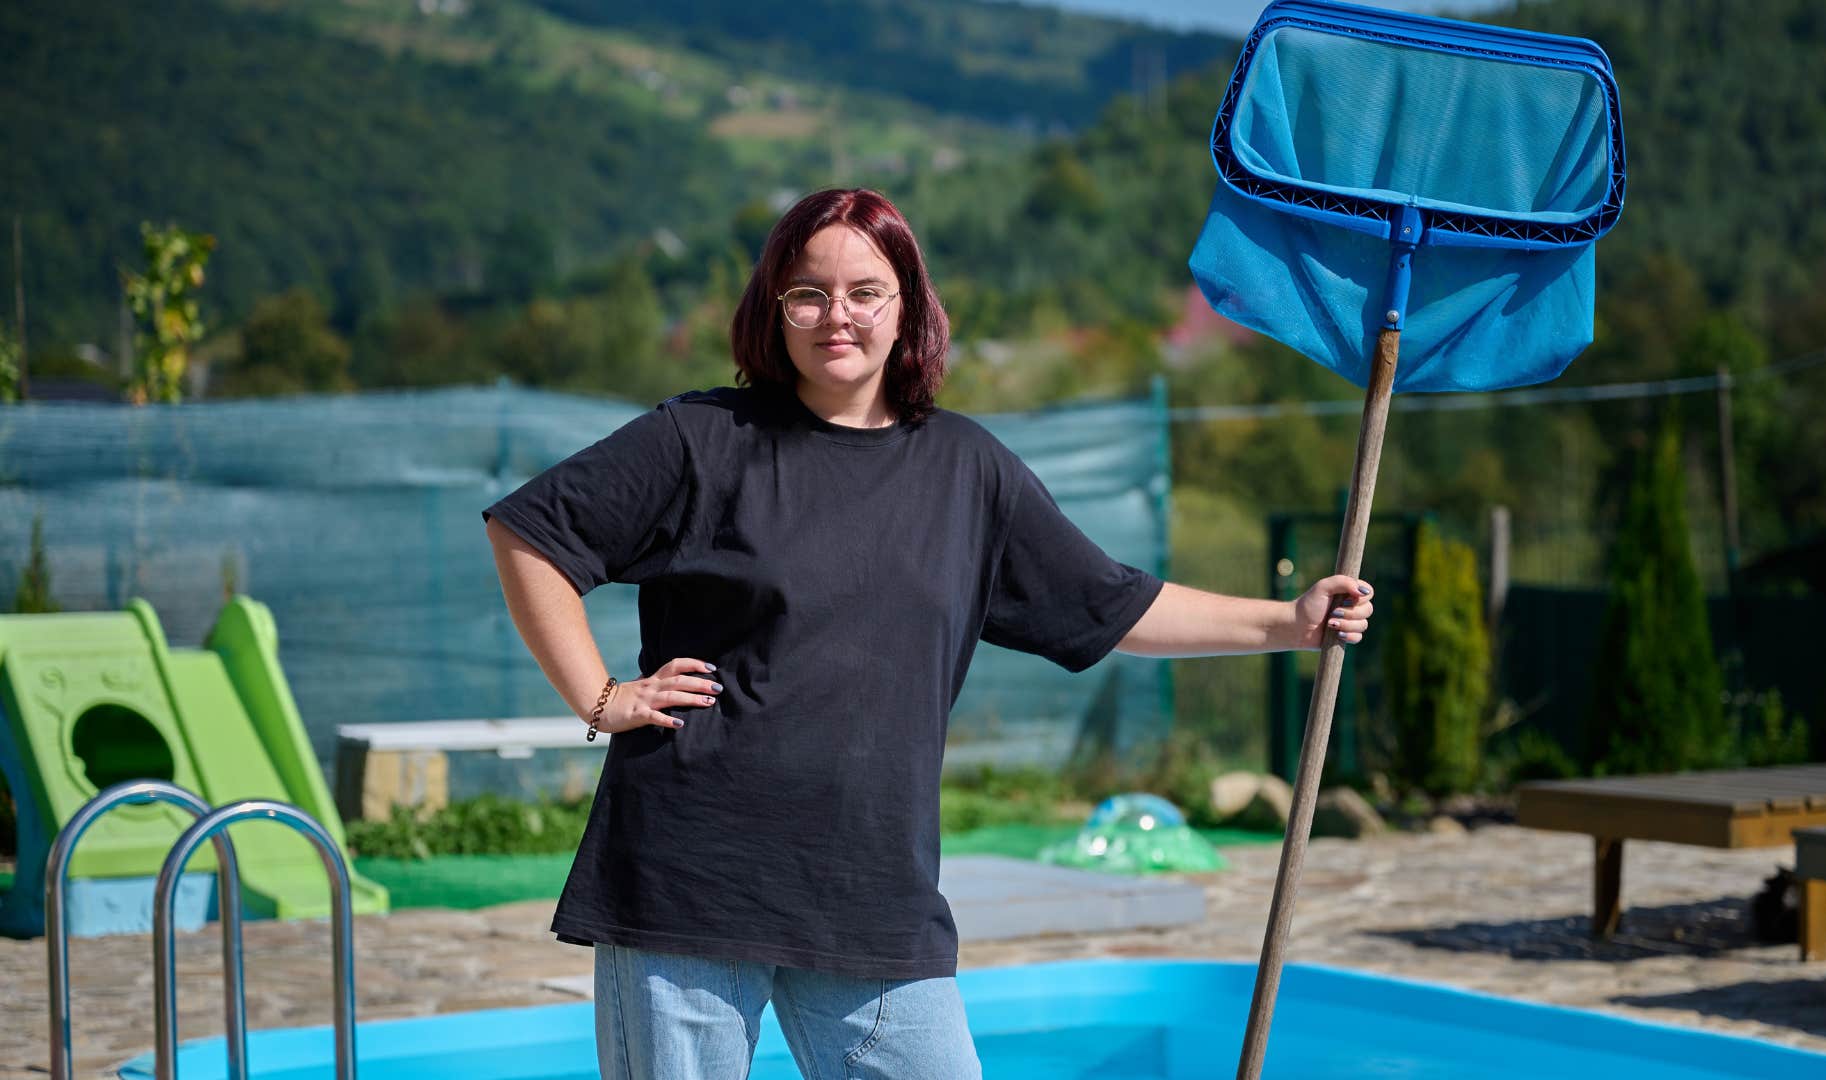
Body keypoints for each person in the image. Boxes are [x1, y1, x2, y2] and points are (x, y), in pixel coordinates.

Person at [483, 187, 1375, 1080]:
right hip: (691, 875)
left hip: (870, 891)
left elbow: (1109, 604)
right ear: (774, 308)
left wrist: (1287, 622)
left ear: (906, 306)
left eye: (866, 292)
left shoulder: (966, 471)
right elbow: (531, 533)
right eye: (809, 293)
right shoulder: (702, 440)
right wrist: (600, 697)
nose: (839, 316)